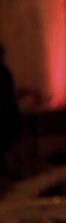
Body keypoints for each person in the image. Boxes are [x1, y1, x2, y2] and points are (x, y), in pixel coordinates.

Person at [0, 44, 22, 185]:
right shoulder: (4, 73)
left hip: (4, 118)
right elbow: (9, 99)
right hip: (5, 118)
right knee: (5, 150)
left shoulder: (5, 73)